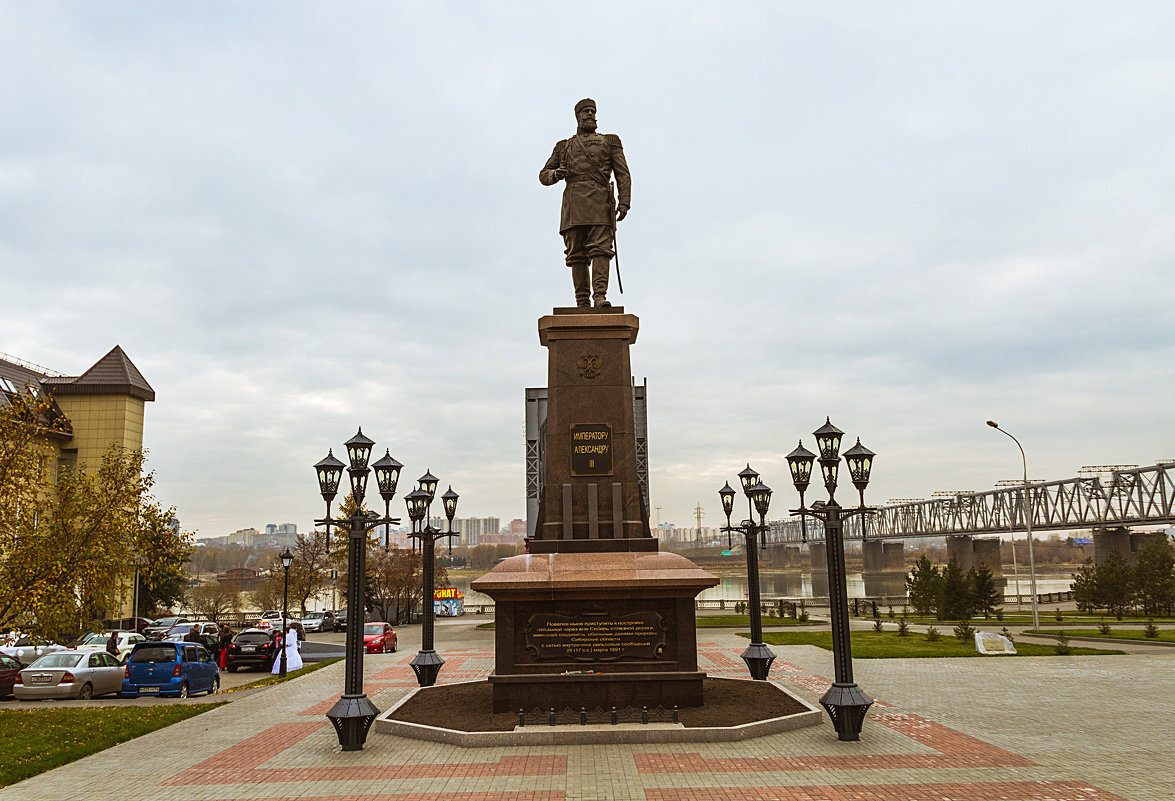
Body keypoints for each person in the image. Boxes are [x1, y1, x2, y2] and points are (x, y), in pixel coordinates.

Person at [539, 98, 631, 308]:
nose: (590, 114)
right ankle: (582, 302)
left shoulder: (610, 141)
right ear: (577, 117)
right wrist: (555, 174)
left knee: (601, 249)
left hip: (599, 202)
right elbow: (543, 175)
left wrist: (624, 201)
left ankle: (600, 297)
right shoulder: (563, 146)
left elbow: (622, 174)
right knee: (577, 254)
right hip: (573, 205)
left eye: (593, 111)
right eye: (585, 111)